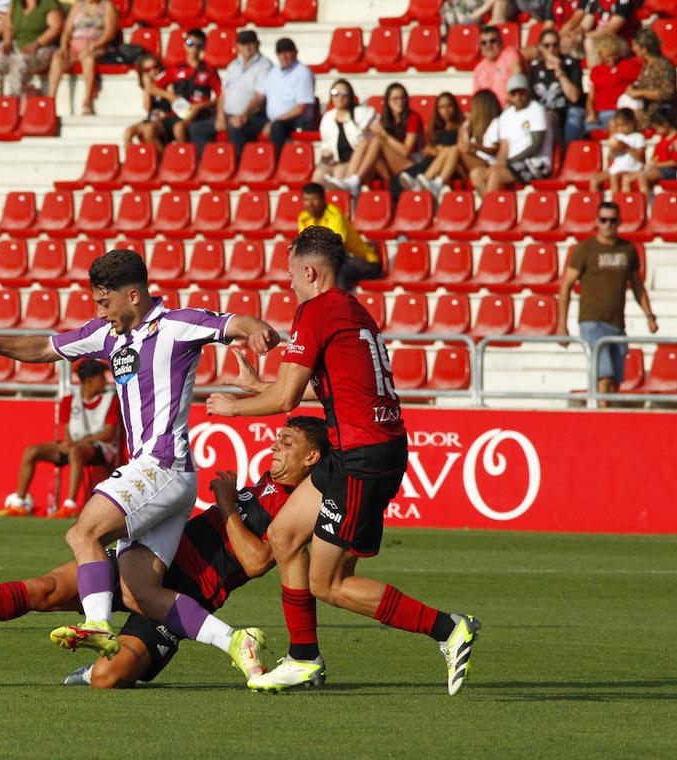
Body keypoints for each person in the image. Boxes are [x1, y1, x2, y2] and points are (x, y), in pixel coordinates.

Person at [0, 249, 281, 684]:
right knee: (139, 591)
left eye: (104, 302)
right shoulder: (107, 336)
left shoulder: (176, 325)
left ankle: (95, 625)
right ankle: (236, 641)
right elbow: (47, 346)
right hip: (164, 476)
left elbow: (231, 323)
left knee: (83, 532)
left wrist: (256, 327)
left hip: (161, 463)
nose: (99, 311)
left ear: (133, 295)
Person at [205, 226, 479, 695]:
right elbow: (335, 389)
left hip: (361, 458)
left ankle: (448, 628)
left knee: (327, 584)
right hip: (361, 447)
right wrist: (257, 389)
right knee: (284, 534)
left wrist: (234, 407)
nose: (289, 282)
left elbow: (288, 396)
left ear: (309, 271)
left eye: (291, 273)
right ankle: (304, 659)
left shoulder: (315, 310)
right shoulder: (352, 310)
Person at [0, 416, 330, 690]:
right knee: (47, 589)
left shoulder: (298, 506)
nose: (275, 446)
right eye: (277, 439)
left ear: (312, 457)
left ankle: (125, 652)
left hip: (187, 593)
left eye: (286, 442)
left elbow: (256, 561)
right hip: (150, 560)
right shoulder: (268, 482)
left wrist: (225, 503)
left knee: (109, 679)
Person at [0, 358, 121, 518]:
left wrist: (75, 443)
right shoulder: (69, 400)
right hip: (76, 446)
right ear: (89, 380)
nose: (105, 381)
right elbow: (67, 431)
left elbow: (108, 434)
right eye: (101, 377)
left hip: (102, 449)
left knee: (75, 450)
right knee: (32, 451)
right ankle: (19, 503)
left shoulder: (111, 400)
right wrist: (69, 443)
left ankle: (70, 506)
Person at [557, 200, 657, 397]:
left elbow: (637, 284)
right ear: (596, 221)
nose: (608, 224)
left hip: (617, 323)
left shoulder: (627, 249)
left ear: (619, 222)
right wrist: (562, 324)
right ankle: (601, 419)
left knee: (615, 382)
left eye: (612, 220)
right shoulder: (585, 249)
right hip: (592, 321)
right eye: (603, 220)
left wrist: (649, 315)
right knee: (604, 376)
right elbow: (566, 285)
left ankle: (600, 416)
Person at [230, 37, 316, 157]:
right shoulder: (274, 71)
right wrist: (243, 115)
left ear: (295, 53)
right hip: (273, 119)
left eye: (287, 52)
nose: (283, 56)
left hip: (294, 120)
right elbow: (259, 96)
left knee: (277, 128)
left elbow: (300, 108)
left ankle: (276, 163)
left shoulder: (303, 73)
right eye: (280, 53)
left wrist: (275, 121)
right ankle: (244, 161)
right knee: (238, 125)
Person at [472, 73, 553, 194]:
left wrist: (510, 161)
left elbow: (536, 145)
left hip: (536, 163)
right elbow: (504, 148)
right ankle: (491, 209)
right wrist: (498, 163)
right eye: (513, 94)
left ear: (528, 92)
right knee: (477, 174)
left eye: (521, 93)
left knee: (496, 175)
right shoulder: (506, 116)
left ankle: (487, 210)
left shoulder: (536, 110)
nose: (518, 97)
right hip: (513, 163)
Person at [347, 82, 424, 197]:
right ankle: (352, 179)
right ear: (388, 102)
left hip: (412, 165)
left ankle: (356, 179)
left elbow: (406, 151)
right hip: (391, 167)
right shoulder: (386, 119)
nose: (400, 102)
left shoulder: (413, 117)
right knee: (367, 143)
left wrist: (384, 135)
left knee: (378, 141)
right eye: (395, 99)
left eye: (403, 98)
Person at [298, 182, 381, 286]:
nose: (310, 203)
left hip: (363, 261)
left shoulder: (335, 215)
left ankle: (338, 302)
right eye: (306, 199)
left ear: (323, 200)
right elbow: (305, 246)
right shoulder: (303, 217)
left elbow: (335, 246)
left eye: (314, 199)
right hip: (333, 260)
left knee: (336, 270)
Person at [156, 28, 223, 155]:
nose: (194, 48)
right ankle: (162, 162)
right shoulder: (176, 68)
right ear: (185, 45)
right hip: (176, 113)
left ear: (203, 47)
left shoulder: (209, 70)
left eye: (199, 45)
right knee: (148, 130)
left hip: (197, 115)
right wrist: (169, 95)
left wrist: (202, 106)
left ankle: (185, 162)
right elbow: (153, 87)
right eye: (190, 44)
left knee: (179, 128)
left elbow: (221, 96)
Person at [48, 0, 120, 116]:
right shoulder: (78, 6)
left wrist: (93, 46)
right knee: (58, 59)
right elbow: (67, 31)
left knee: (88, 58)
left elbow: (109, 34)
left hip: (96, 45)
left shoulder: (107, 7)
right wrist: (63, 47)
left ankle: (87, 101)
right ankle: (50, 101)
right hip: (74, 45)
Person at [0, 0, 64, 98]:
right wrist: (7, 42)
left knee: (20, 61)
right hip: (17, 47)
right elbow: (8, 26)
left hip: (43, 48)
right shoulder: (16, 3)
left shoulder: (49, 3)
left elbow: (56, 27)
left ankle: (15, 100)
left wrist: (36, 44)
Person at [527, 27, 586, 145]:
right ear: (540, 47)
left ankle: (564, 153)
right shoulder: (534, 68)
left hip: (567, 112)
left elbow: (574, 97)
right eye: (547, 45)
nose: (551, 49)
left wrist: (559, 71)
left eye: (555, 45)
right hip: (544, 114)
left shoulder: (570, 64)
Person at [400, 91, 464, 198]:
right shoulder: (436, 128)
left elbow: (462, 148)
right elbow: (425, 150)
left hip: (455, 166)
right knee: (446, 151)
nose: (446, 111)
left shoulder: (461, 126)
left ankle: (429, 182)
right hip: (437, 163)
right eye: (442, 107)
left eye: (449, 106)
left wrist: (443, 150)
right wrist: (437, 150)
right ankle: (428, 182)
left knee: (452, 149)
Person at [313, 79, 375, 188]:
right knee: (318, 176)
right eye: (335, 94)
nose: (339, 98)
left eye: (344, 94)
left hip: (356, 161)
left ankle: (345, 203)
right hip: (336, 160)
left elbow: (371, 136)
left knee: (339, 173)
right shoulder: (327, 117)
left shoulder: (361, 113)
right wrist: (326, 155)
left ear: (350, 96)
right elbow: (325, 143)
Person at [217, 30, 273, 149]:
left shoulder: (265, 65)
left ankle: (237, 164)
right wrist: (220, 115)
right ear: (238, 46)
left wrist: (243, 115)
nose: (247, 47)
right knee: (196, 129)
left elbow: (259, 97)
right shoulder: (233, 65)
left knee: (236, 128)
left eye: (250, 43)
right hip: (228, 115)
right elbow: (224, 94)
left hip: (252, 115)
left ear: (258, 44)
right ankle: (205, 163)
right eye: (243, 44)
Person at [585, 33, 641, 131]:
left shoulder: (627, 66)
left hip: (619, 112)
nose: (611, 59)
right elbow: (591, 98)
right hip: (600, 112)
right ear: (600, 55)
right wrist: (591, 113)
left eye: (614, 55)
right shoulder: (596, 71)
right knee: (588, 128)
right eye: (607, 56)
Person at [625, 27, 677, 130]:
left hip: (658, 112)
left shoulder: (663, 65)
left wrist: (640, 93)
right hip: (644, 110)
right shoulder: (646, 65)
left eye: (635, 46)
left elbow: (668, 92)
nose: (633, 49)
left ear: (644, 49)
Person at [451, 89, 502, 190]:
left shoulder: (497, 122)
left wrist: (474, 146)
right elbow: (462, 143)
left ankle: (437, 182)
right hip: (477, 162)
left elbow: (495, 150)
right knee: (451, 151)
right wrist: (465, 127)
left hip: (490, 162)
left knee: (455, 150)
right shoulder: (474, 125)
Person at [123, 55, 176, 148]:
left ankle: (163, 159)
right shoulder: (148, 87)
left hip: (167, 120)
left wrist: (159, 90)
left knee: (149, 131)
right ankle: (130, 160)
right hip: (152, 119)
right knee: (128, 132)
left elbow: (174, 104)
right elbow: (147, 108)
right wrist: (147, 88)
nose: (153, 71)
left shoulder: (169, 83)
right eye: (147, 70)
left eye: (155, 67)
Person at [589, 108, 644, 193]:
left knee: (614, 178)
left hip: (631, 168)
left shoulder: (638, 137)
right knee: (594, 180)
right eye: (618, 126)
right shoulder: (617, 136)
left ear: (632, 123)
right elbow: (610, 158)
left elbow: (640, 157)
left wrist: (626, 147)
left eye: (624, 125)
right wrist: (614, 150)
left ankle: (616, 202)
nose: (621, 129)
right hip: (616, 168)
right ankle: (595, 204)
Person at [634, 108, 677, 196]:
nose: (656, 131)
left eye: (657, 128)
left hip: (669, 171)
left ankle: (643, 202)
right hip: (659, 169)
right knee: (631, 177)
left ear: (665, 124)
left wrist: (656, 165)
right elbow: (656, 157)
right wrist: (650, 165)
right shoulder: (662, 140)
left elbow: (674, 162)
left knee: (642, 176)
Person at [473, 24, 523, 108]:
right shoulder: (478, 69)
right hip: (487, 114)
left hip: (510, 109)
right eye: (484, 43)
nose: (488, 46)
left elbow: (517, 82)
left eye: (493, 41)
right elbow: (476, 100)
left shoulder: (509, 55)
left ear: (501, 42)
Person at [441, 0, 516, 26]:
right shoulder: (449, 5)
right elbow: (460, 27)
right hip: (464, 37)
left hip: (488, 27)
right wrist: (485, 8)